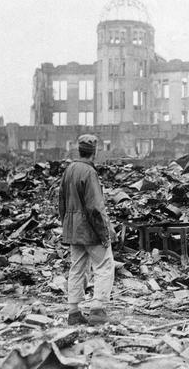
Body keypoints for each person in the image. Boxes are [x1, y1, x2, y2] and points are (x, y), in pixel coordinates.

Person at [59, 134, 115, 325]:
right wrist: (104, 232)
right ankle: (98, 309)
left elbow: (61, 202)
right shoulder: (89, 172)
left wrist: (67, 225)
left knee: (77, 268)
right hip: (90, 230)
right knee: (105, 265)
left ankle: (73, 312)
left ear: (79, 150)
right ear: (95, 152)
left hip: (73, 230)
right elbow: (95, 207)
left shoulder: (69, 170)